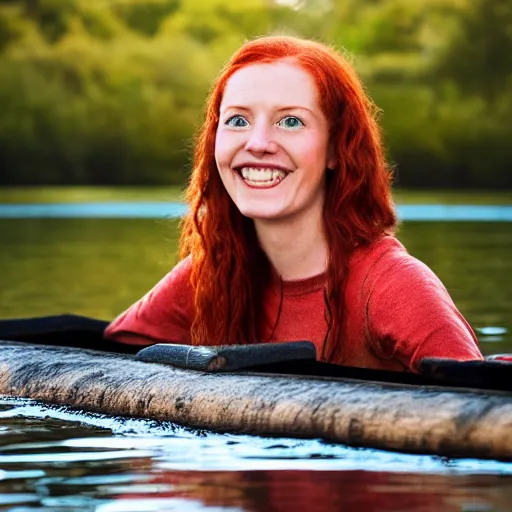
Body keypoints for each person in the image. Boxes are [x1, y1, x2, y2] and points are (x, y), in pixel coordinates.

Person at [104, 35, 483, 372]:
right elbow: (109, 355)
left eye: (290, 122)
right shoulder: (211, 273)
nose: (257, 143)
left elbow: (482, 405)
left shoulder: (392, 285)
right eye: (237, 121)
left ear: (337, 148)